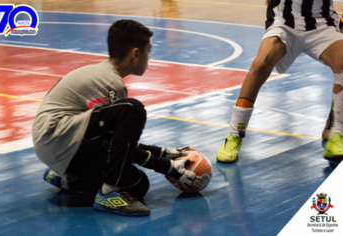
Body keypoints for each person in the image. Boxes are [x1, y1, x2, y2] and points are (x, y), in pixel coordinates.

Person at [32, 20, 195, 217]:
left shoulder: (104, 74)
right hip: (58, 139)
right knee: (133, 109)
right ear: (136, 53)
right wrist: (167, 167)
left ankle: (68, 178)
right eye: (148, 52)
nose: (149, 58)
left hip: (58, 143)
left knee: (137, 183)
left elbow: (117, 140)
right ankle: (110, 192)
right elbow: (110, 141)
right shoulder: (111, 82)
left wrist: (162, 152)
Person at [216, 0, 343, 164]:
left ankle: (336, 132)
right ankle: (235, 135)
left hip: (322, 22)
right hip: (285, 21)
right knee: (260, 64)